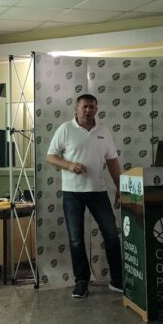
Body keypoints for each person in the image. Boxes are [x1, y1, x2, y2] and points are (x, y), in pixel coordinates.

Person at [46, 94, 123, 299]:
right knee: (76, 239)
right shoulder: (65, 129)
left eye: (92, 107)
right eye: (84, 107)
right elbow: (50, 156)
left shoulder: (103, 131)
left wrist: (120, 187)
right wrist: (69, 165)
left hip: (98, 191)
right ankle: (81, 281)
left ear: (97, 109)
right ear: (76, 109)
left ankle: (118, 280)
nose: (88, 110)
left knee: (111, 235)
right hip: (73, 193)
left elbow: (113, 161)